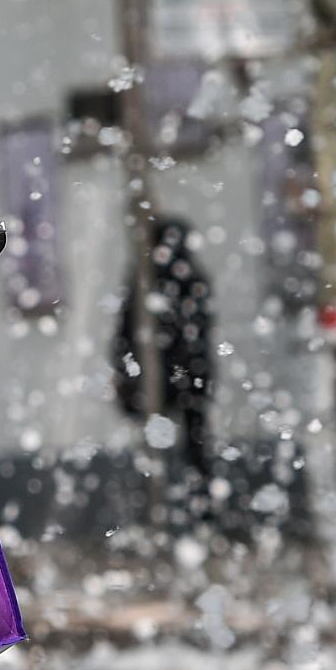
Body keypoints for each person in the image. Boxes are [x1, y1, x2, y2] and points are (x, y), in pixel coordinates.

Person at [111, 217, 216, 533]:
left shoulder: (149, 279)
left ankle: (174, 512)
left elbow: (126, 330)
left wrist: (126, 369)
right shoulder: (173, 278)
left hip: (170, 375)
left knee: (172, 447)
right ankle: (190, 512)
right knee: (189, 445)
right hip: (180, 375)